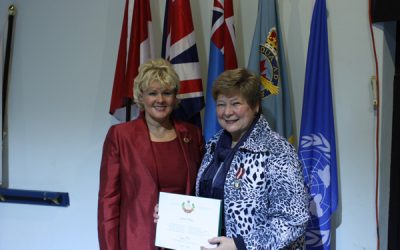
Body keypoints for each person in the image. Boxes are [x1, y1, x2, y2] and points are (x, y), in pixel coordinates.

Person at [196, 68, 309, 250]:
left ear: (255, 105)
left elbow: (293, 220)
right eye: (221, 104)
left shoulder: (276, 150)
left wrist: (241, 245)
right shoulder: (213, 145)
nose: (227, 112)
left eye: (235, 103)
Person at [98, 58, 204, 250]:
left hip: (184, 242)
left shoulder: (192, 134)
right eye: (152, 93)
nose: (160, 100)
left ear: (175, 96)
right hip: (137, 240)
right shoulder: (121, 136)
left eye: (167, 93)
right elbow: (108, 202)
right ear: (141, 97)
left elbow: (201, 192)